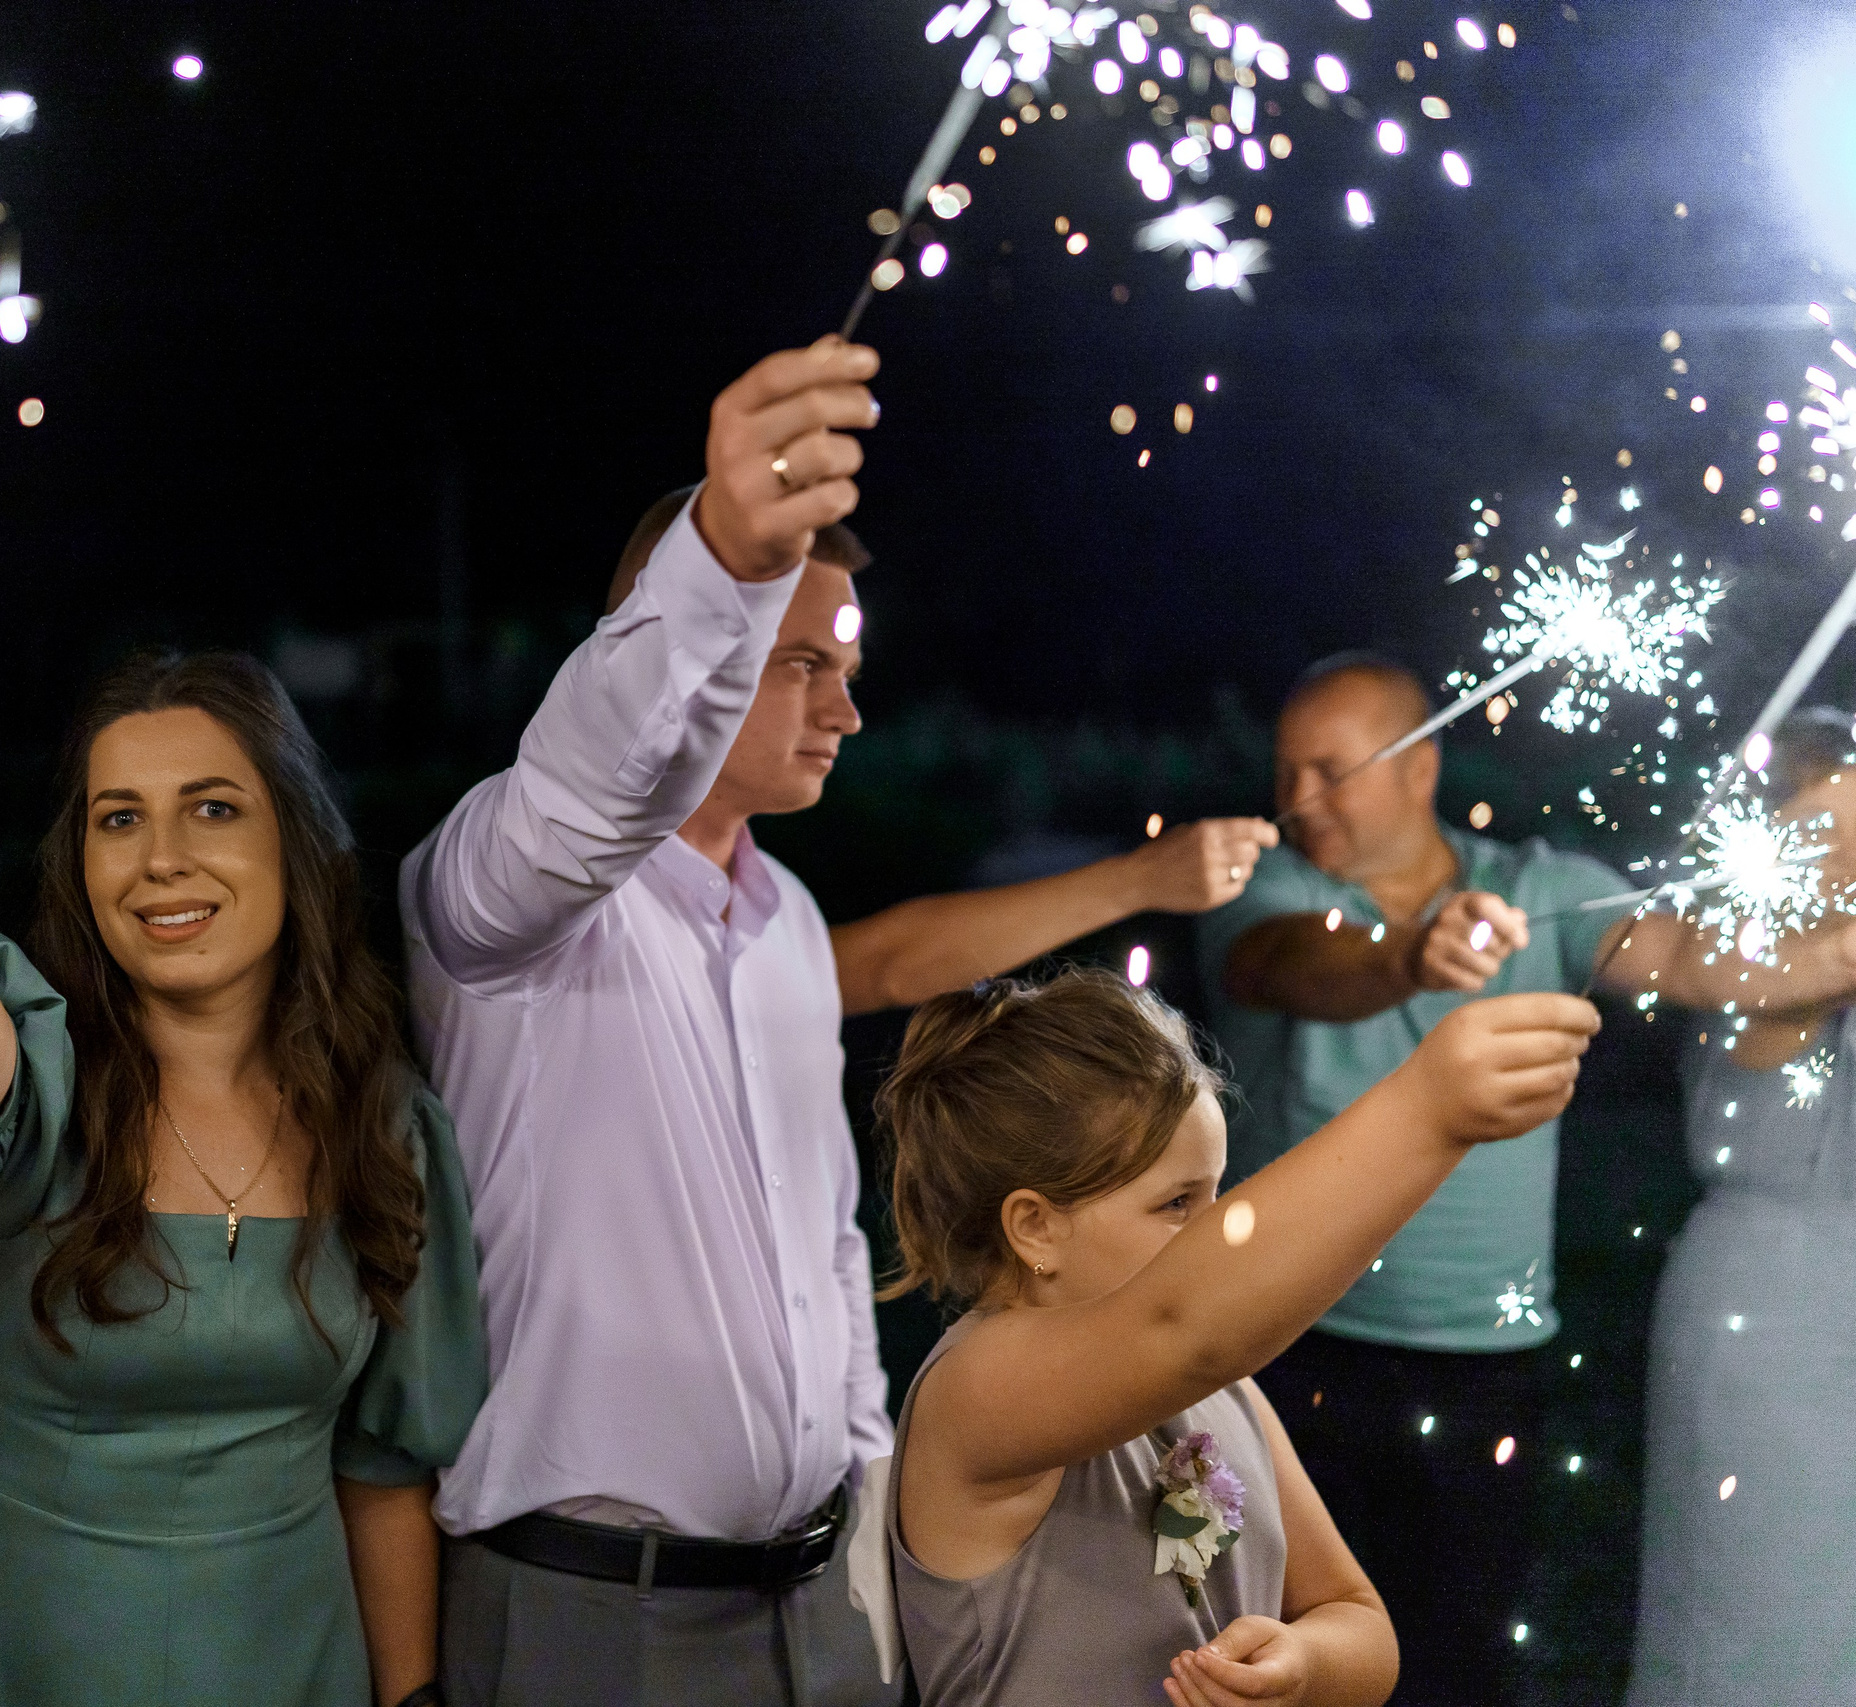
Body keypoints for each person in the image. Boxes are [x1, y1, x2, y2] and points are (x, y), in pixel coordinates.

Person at [403, 337, 1277, 1707]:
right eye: (799, 661)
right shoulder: (510, 893)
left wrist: (867, 1515)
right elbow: (589, 782)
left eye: (846, 664)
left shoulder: (788, 918)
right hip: (592, 1612)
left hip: (814, 1606)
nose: (848, 708)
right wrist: (725, 556)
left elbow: (823, 1257)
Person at [0, 651, 485, 1706]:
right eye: (119, 819)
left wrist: (410, 1696)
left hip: (293, 1663)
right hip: (19, 1662)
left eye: (212, 809)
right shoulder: (40, 1082)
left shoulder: (383, 1128)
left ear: (295, 837)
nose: (161, 859)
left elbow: (384, 1477)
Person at [867, 970, 1598, 1705]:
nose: (1213, 1230)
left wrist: (1304, 1661)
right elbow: (1183, 1327)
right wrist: (1430, 1111)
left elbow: (1358, 1621)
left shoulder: (1226, 1390)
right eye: (1178, 1202)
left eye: (1217, 1191)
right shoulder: (974, 1391)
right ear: (1036, 1226)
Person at [1193, 650, 1646, 1703]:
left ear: (1418, 768)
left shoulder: (1544, 888)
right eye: (1285, 770)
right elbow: (1284, 960)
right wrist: (1406, 957)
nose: (1297, 799)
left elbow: (1697, 953)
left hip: (1482, 1359)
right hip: (1280, 1340)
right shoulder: (1271, 878)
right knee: (1252, 1650)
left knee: (1455, 1657)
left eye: (1329, 769)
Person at [1620, 710, 1856, 1704]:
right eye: (1829, 831)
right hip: (1777, 1320)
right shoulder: (1743, 948)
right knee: (1763, 1619)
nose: (1847, 856)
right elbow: (1794, 984)